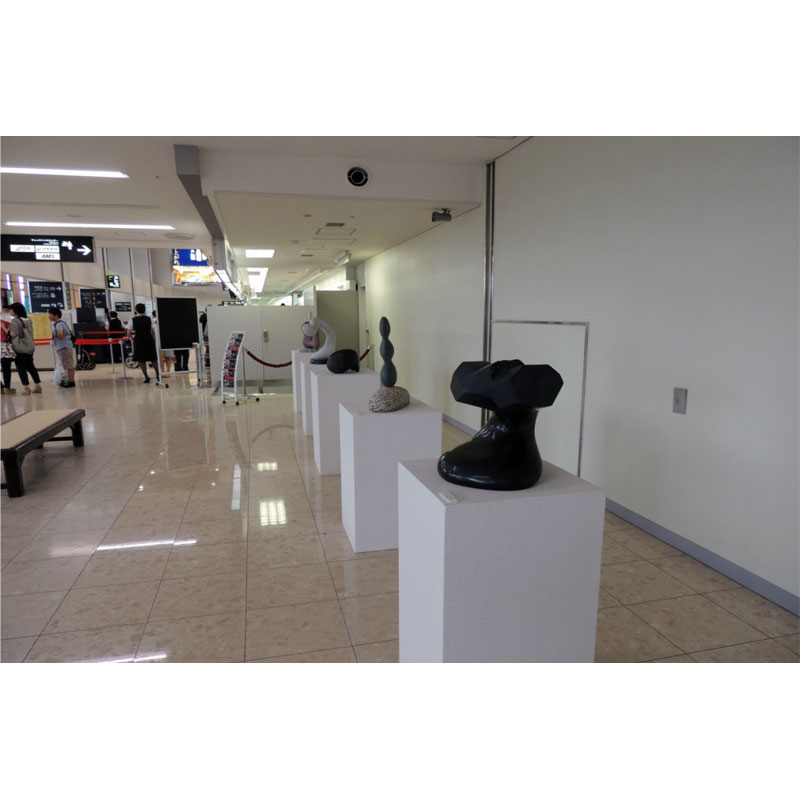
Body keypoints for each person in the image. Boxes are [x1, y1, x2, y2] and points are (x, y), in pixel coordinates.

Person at [8, 302, 42, 394]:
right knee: (31, 366)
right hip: (29, 346)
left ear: (15, 310)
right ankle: (38, 386)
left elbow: (13, 334)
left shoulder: (15, 321)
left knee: (21, 368)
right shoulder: (28, 320)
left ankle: (26, 388)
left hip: (19, 347)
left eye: (11, 309)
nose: (9, 311)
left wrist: (6, 330)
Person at [128, 303, 158, 383]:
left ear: (136, 310)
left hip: (138, 339)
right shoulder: (149, 319)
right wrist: (152, 336)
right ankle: (158, 375)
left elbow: (129, 332)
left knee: (141, 359)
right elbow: (153, 330)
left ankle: (146, 377)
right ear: (144, 309)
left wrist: (132, 339)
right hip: (148, 339)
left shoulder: (132, 319)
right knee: (153, 358)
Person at [48, 306, 76, 388]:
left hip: (64, 347)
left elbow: (60, 334)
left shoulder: (59, 324)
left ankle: (70, 381)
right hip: (65, 347)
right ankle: (69, 380)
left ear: (56, 315)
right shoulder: (61, 323)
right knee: (67, 364)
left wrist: (57, 337)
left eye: (50, 314)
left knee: (68, 365)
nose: (49, 316)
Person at [1, 304, 17, 394]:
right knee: (6, 368)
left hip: (4, 346)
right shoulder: (8, 321)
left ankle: (3, 387)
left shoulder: (6, 321)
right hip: (5, 346)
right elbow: (11, 334)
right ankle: (6, 387)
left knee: (5, 367)